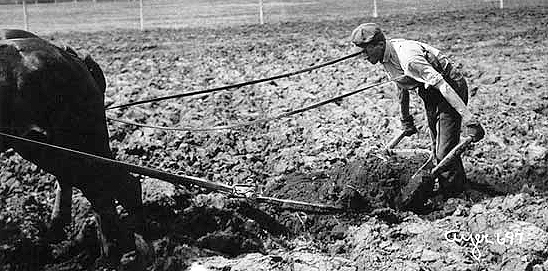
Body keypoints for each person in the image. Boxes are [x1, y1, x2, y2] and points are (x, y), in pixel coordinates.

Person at [350, 23, 485, 198]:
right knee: (439, 144)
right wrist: (405, 119)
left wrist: (470, 120)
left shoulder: (409, 58)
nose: (364, 57)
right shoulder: (385, 58)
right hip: (429, 91)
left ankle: (455, 195)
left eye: (365, 51)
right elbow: (402, 87)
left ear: (380, 45)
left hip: (450, 86)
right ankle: (455, 184)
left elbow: (443, 86)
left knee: (443, 150)